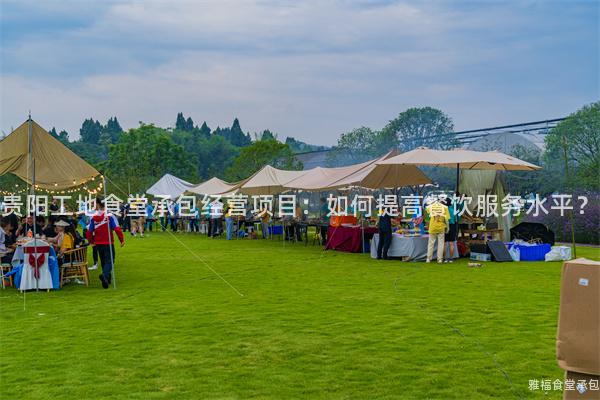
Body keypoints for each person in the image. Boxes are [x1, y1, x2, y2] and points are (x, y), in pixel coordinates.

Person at [86, 196, 125, 289]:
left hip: (98, 243)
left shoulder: (93, 217)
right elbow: (117, 229)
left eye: (93, 204)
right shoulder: (110, 215)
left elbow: (89, 231)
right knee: (110, 260)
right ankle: (105, 275)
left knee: (104, 261)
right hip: (108, 242)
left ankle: (107, 279)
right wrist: (121, 239)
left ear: (99, 204)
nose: (93, 206)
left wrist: (91, 241)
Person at [425, 198, 450, 264]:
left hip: (432, 227)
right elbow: (447, 221)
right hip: (441, 228)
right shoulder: (445, 208)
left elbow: (427, 216)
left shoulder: (431, 207)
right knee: (441, 244)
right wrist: (447, 228)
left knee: (431, 244)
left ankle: (428, 258)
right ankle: (439, 259)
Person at [443, 195, 460, 263]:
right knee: (451, 243)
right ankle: (451, 258)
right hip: (452, 226)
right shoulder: (453, 210)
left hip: (445, 226)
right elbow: (457, 219)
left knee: (443, 244)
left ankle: (444, 258)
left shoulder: (443, 210)